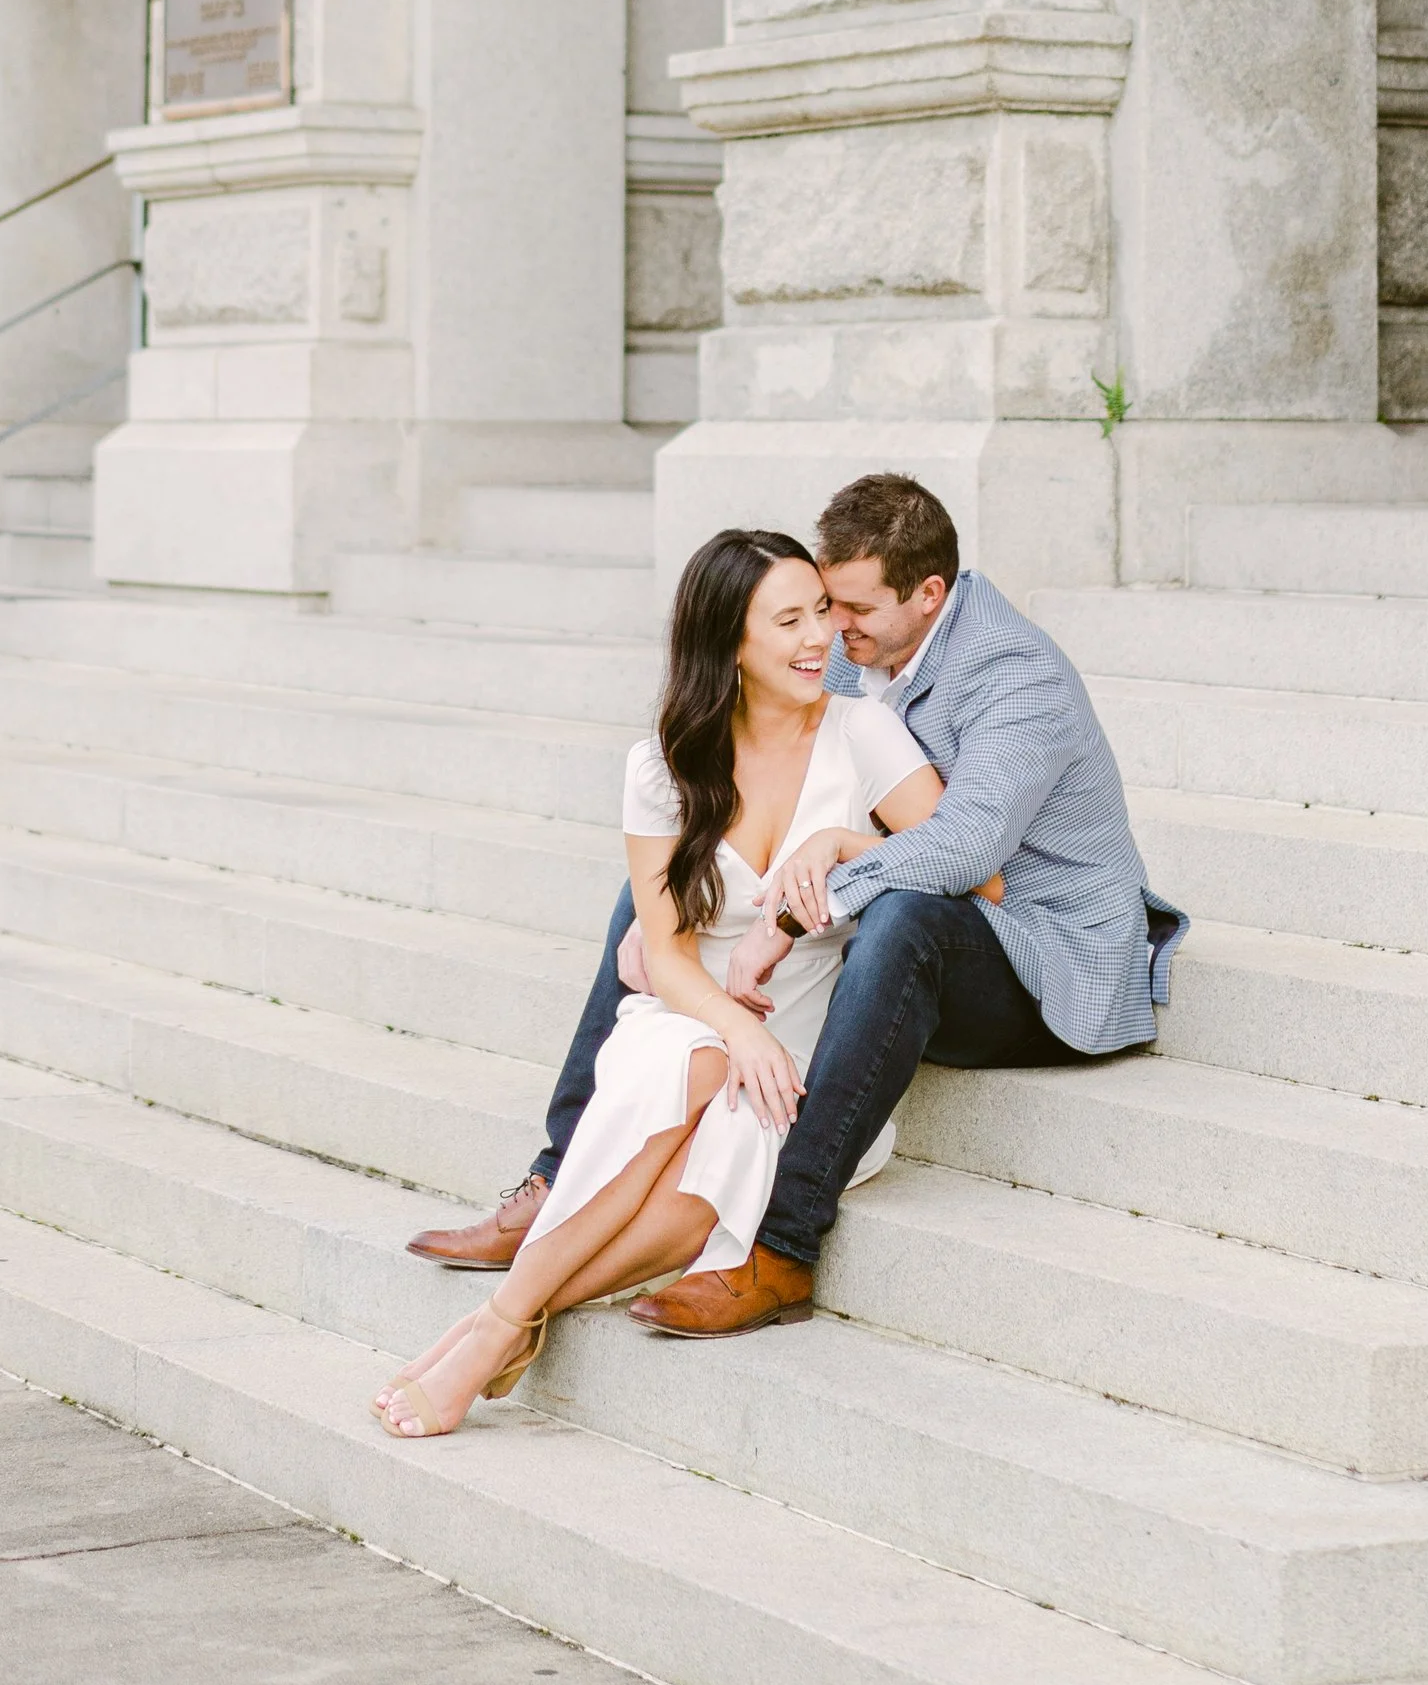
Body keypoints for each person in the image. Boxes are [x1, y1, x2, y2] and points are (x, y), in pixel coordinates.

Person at [405, 471, 1184, 1342]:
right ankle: (558, 1177)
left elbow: (965, 857)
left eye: (849, 611)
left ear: (928, 596)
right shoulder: (858, 640)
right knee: (670, 878)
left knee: (905, 916)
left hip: (1044, 955)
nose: (831, 635)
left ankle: (782, 1247)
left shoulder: (1015, 677)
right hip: (918, 901)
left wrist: (802, 896)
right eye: (817, 607)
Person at [373, 526, 952, 1436]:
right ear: (728, 641)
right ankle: (498, 1330)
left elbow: (969, 868)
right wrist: (738, 1030)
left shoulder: (862, 732)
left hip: (801, 1040)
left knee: (701, 1192)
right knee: (694, 1070)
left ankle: (503, 1324)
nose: (819, 641)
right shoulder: (663, 765)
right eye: (789, 621)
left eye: (823, 615)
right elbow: (669, 953)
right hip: (693, 1016)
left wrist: (850, 844)